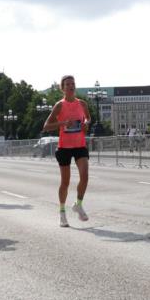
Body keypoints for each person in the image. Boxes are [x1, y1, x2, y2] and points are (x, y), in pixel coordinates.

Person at [42, 75, 90, 227]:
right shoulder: (59, 105)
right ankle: (62, 212)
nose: (71, 86)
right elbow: (46, 126)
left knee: (85, 176)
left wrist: (86, 124)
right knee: (65, 182)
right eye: (68, 84)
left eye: (73, 83)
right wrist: (63, 123)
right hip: (64, 147)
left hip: (80, 145)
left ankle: (78, 204)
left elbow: (88, 119)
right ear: (62, 88)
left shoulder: (82, 103)